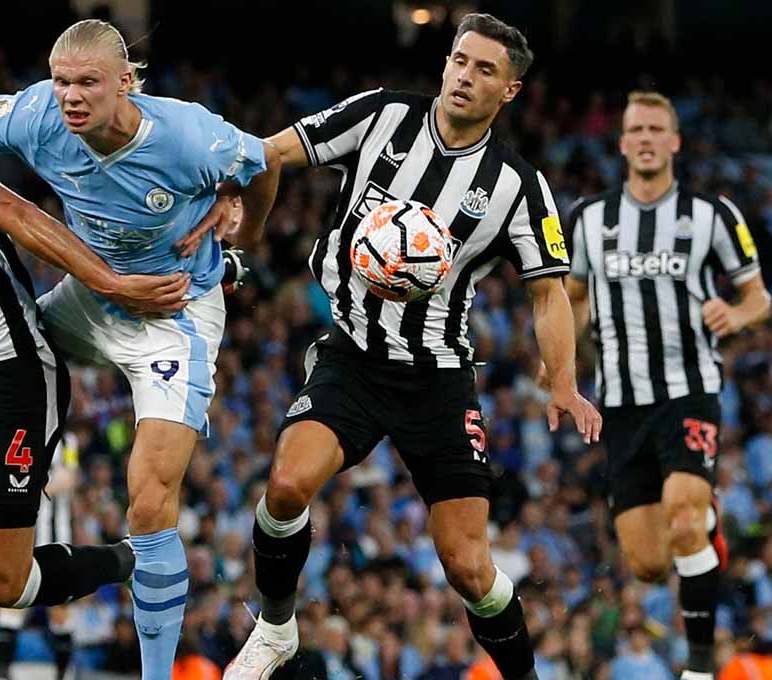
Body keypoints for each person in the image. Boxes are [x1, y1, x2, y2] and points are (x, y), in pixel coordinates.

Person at [0, 19, 282, 680]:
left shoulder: (188, 136)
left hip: (171, 314)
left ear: (127, 83)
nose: (71, 96)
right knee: (5, 357)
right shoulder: (37, 113)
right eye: (62, 81)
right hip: (88, 300)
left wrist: (244, 231)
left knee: (147, 499)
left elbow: (267, 163)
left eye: (88, 82)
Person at [224, 14, 600, 680]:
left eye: (485, 70)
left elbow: (548, 292)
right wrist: (247, 226)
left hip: (439, 380)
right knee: (285, 486)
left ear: (510, 91)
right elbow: (268, 153)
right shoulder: (379, 118)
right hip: (353, 359)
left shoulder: (518, 185)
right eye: (460, 60)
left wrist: (562, 380)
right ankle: (276, 628)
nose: (464, 76)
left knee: (469, 566)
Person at [565, 90, 771, 680]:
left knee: (682, 522)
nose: (648, 137)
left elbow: (758, 295)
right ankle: (708, 524)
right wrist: (558, 363)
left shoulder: (714, 215)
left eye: (658, 127)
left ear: (674, 141)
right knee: (649, 563)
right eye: (637, 129)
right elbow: (574, 299)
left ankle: (701, 666)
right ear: (623, 142)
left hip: (689, 388)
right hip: (622, 402)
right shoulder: (589, 218)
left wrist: (738, 314)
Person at [0, 434, 84, 680]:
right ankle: (3, 672)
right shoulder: (18, 436)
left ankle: (63, 673)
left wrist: (30, 486)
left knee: (59, 608)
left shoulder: (67, 441)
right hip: (21, 538)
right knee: (11, 604)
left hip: (56, 538)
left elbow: (70, 478)